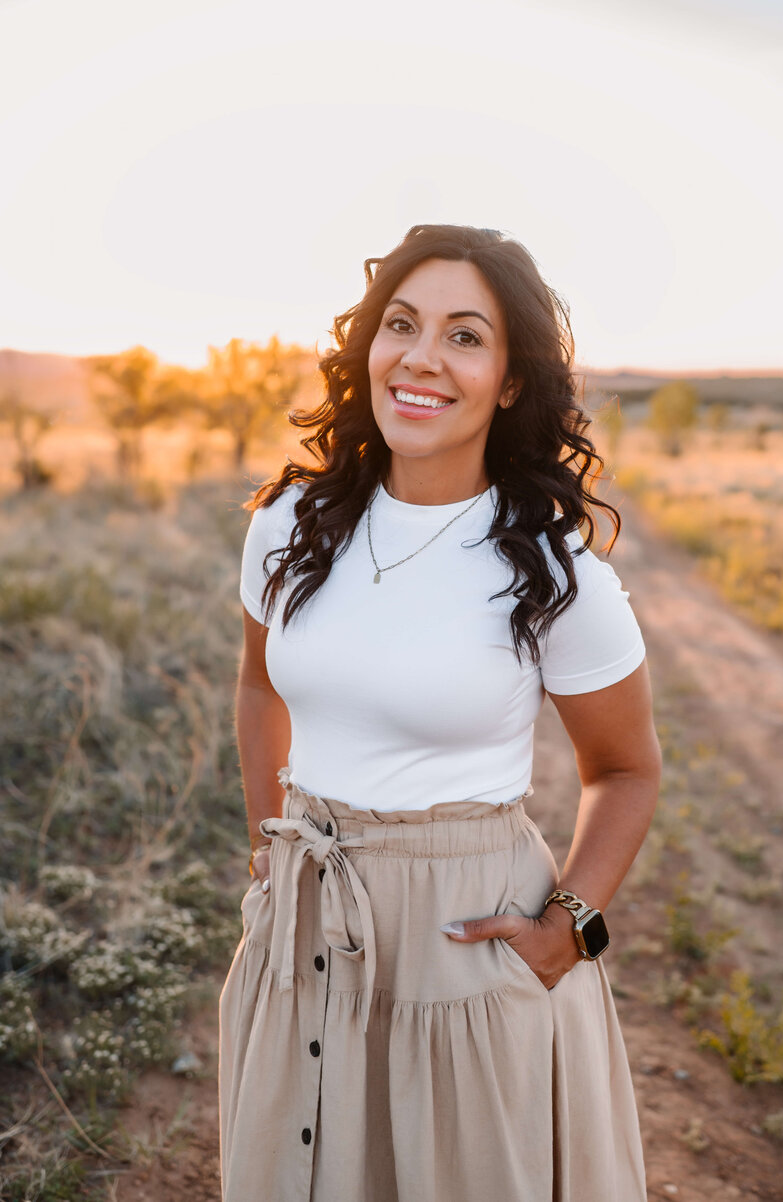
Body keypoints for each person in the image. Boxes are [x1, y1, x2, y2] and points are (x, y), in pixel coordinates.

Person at [218, 224, 662, 1202]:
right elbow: (260, 684)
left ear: (508, 380)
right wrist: (267, 848)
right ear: (366, 348)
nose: (421, 357)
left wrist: (567, 926)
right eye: (402, 324)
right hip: (304, 914)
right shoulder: (286, 526)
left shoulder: (551, 573)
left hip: (465, 944)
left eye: (464, 335)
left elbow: (624, 770)